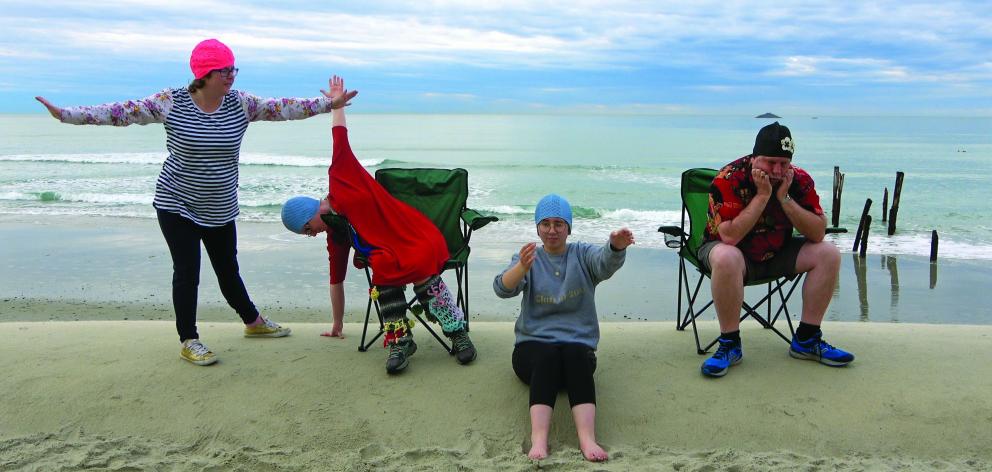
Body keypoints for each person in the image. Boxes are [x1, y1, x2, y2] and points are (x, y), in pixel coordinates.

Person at [35, 39, 357, 366]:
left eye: (233, 69)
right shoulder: (171, 101)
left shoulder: (240, 103)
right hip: (176, 204)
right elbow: (121, 113)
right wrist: (67, 115)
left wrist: (329, 104)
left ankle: (253, 323)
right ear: (204, 73)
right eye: (223, 70)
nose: (231, 76)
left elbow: (283, 108)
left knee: (228, 270)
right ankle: (189, 339)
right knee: (188, 271)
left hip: (219, 206)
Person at [280, 76, 476, 375]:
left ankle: (456, 331)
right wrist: (337, 324)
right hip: (388, 254)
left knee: (415, 260)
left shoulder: (342, 177)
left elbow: (339, 136)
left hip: (413, 235)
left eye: (307, 228)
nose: (312, 234)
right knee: (384, 267)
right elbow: (336, 279)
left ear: (310, 211)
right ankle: (400, 340)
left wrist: (336, 104)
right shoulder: (335, 233)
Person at [698, 121, 854, 378]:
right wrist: (761, 197)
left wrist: (784, 198)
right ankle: (729, 343)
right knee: (727, 256)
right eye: (770, 162)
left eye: (783, 163)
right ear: (754, 158)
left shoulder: (798, 179)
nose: (777, 170)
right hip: (729, 253)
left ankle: (807, 340)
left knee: (828, 253)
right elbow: (730, 236)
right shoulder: (729, 178)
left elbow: (817, 232)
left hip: (777, 251)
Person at [494, 194, 633, 462]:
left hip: (575, 362)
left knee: (575, 354)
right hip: (531, 357)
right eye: (545, 224)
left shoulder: (581, 254)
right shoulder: (528, 257)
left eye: (559, 223)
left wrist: (615, 247)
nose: (552, 230)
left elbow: (604, 264)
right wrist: (522, 268)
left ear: (569, 227)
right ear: (537, 227)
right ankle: (539, 441)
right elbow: (502, 288)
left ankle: (587, 439)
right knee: (547, 354)